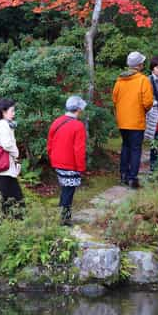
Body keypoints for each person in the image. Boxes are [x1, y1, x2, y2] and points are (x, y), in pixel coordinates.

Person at [112, 51, 153, 189]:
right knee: (136, 149)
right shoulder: (143, 80)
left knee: (125, 146)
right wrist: (142, 111)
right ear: (139, 65)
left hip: (123, 120)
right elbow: (148, 102)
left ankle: (123, 174)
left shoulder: (119, 80)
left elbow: (114, 99)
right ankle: (132, 178)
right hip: (136, 120)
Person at [47, 96, 87, 226]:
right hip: (71, 162)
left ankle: (63, 214)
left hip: (57, 160)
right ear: (78, 109)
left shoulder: (57, 122)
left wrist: (52, 157)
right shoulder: (78, 125)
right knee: (69, 190)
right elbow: (79, 149)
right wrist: (81, 167)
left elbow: (50, 143)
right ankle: (64, 218)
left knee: (65, 188)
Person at [0, 98, 24, 214]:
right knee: (15, 199)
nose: (14, 113)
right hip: (4, 170)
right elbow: (7, 145)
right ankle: (16, 225)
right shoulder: (3, 125)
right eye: (12, 111)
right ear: (4, 111)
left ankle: (1, 226)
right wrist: (16, 154)